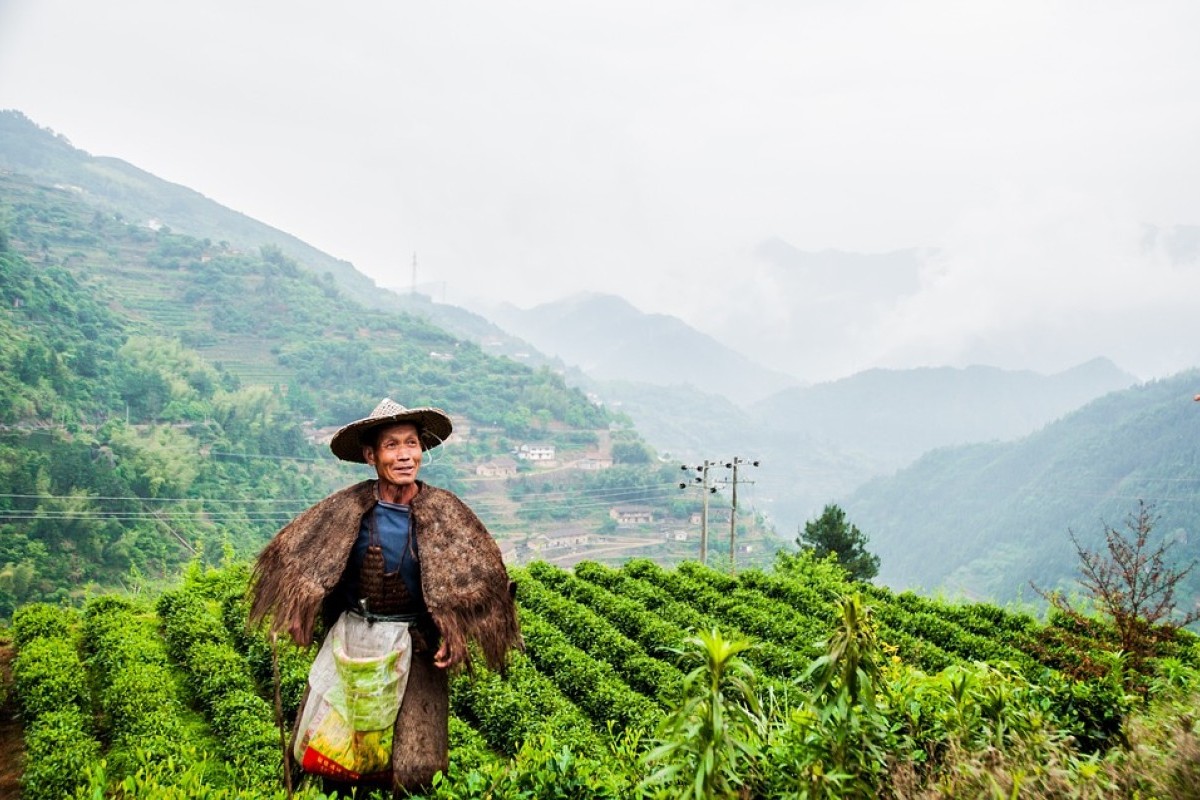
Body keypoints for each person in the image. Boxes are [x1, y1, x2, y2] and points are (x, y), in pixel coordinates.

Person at [248, 398, 521, 795]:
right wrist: (298, 612)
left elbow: (483, 581)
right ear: (371, 455)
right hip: (355, 641)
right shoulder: (346, 509)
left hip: (417, 646)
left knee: (417, 764)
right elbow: (302, 562)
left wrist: (455, 634)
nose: (404, 455)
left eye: (411, 444)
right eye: (392, 446)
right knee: (340, 754)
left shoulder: (447, 511)